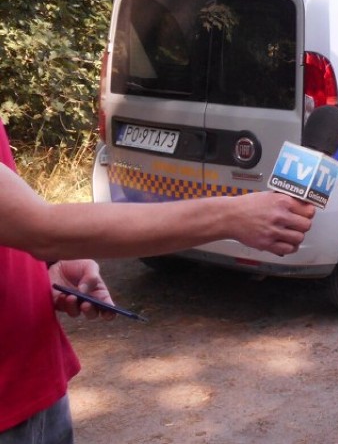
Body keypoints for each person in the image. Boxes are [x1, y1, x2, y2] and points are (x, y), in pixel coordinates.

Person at [0, 121, 316, 444]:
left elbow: (17, 222)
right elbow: (42, 228)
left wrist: (47, 264)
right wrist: (232, 216)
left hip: (38, 383)